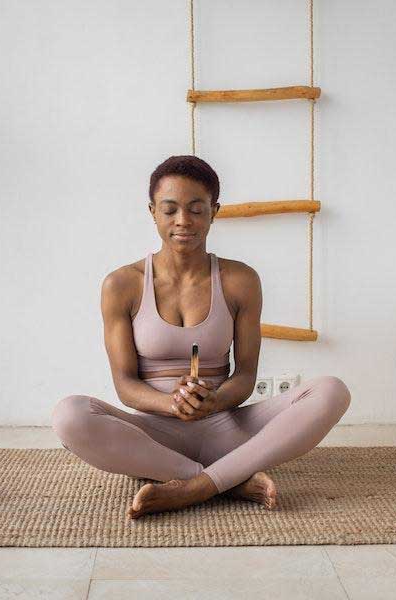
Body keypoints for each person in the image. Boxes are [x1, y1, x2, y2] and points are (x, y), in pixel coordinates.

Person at [52, 155, 350, 519]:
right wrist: (172, 404)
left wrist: (214, 401)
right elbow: (125, 385)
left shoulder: (240, 280)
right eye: (170, 210)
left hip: (225, 426)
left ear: (215, 211)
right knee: (69, 415)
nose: (183, 222)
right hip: (152, 433)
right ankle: (229, 479)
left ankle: (195, 486)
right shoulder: (122, 284)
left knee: (332, 391)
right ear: (152, 212)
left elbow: (245, 376)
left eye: (196, 209)